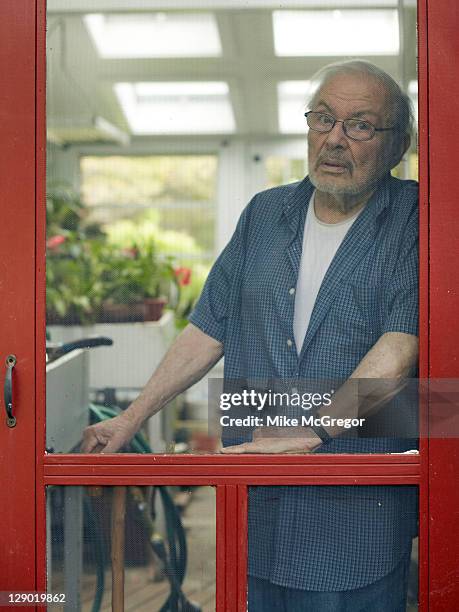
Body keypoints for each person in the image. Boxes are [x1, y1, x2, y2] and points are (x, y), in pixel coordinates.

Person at [82, 60, 418, 611]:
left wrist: (312, 432)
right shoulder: (266, 214)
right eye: (323, 119)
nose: (334, 139)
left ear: (396, 145)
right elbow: (208, 327)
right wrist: (131, 417)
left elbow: (401, 346)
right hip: (259, 505)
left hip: (356, 514)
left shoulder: (412, 217)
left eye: (359, 125)